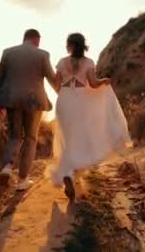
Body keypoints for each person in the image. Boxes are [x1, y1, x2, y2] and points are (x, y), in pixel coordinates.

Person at [49, 33, 131, 200]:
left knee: (66, 138)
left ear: (69, 45)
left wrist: (64, 94)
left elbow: (56, 84)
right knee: (78, 138)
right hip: (80, 100)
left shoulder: (62, 62)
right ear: (82, 45)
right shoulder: (88, 62)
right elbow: (93, 84)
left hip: (64, 100)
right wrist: (104, 81)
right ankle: (71, 172)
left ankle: (67, 173)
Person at [0, 29, 57, 191]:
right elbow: (51, 78)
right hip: (34, 101)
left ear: (24, 39)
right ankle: (22, 180)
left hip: (11, 99)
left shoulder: (8, 53)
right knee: (30, 138)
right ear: (36, 40)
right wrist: (63, 95)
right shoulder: (43, 54)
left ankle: (7, 167)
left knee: (15, 136)